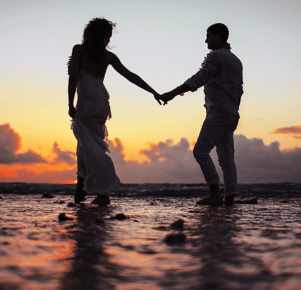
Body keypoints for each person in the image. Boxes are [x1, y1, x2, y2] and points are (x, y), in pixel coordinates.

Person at [68, 17, 160, 205]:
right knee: (86, 146)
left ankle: (101, 192)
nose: (108, 40)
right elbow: (131, 76)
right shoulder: (107, 56)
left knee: (90, 147)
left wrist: (70, 104)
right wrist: (154, 92)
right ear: (101, 36)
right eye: (107, 36)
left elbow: (73, 78)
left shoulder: (80, 50)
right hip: (99, 105)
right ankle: (80, 188)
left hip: (89, 106)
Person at [159, 23, 243, 206]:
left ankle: (214, 192)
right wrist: (233, 112)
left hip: (219, 112)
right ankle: (230, 197)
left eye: (209, 35)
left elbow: (198, 79)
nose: (206, 40)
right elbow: (239, 91)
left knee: (200, 151)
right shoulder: (236, 60)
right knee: (227, 158)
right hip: (231, 114)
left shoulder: (216, 57)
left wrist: (170, 94)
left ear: (219, 37)